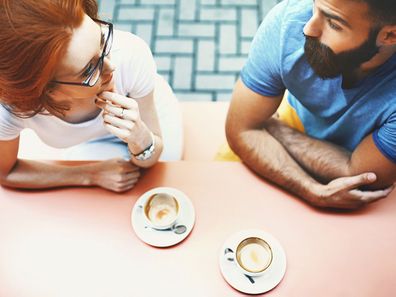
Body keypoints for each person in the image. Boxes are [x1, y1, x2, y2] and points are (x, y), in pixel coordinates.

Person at [226, 0, 396, 210]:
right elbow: (240, 131)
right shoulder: (288, 23)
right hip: (295, 120)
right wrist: (310, 190)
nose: (307, 28)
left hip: (364, 164)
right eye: (315, 4)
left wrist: (273, 129)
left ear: (390, 36)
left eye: (334, 24)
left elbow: (360, 175)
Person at [0, 0, 183, 192]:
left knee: (163, 168)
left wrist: (140, 136)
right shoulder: (10, 110)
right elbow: (6, 172)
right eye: (89, 70)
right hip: (92, 144)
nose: (111, 67)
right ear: (47, 91)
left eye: (102, 40)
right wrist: (89, 174)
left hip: (151, 121)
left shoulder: (130, 54)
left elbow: (154, 152)